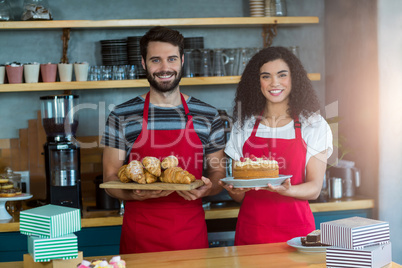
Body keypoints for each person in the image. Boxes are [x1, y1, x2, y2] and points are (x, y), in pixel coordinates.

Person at [101, 26, 226, 254]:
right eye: (156, 60)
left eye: (171, 59)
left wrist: (206, 190)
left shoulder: (208, 114)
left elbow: (218, 174)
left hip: (191, 238)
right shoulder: (121, 115)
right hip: (140, 239)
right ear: (143, 63)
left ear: (182, 61)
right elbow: (110, 178)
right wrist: (133, 194)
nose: (165, 68)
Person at [221, 46, 333, 245]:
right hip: (252, 233)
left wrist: (285, 190)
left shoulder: (313, 125)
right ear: (257, 82)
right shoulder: (243, 126)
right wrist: (234, 190)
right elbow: (239, 196)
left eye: (282, 75)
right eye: (266, 76)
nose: (274, 83)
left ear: (294, 79)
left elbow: (315, 188)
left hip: (297, 234)